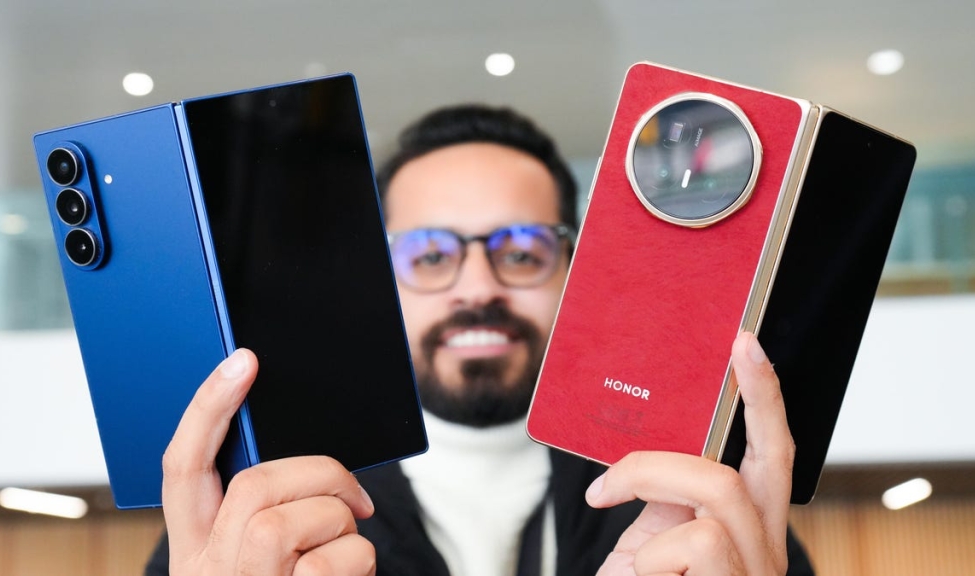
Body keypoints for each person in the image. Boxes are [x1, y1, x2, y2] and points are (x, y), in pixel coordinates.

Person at [145, 105, 814, 575]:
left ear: (577, 273)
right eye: (431, 255)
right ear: (379, 283)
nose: (477, 288)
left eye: (521, 251)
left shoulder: (701, 514)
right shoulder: (254, 526)